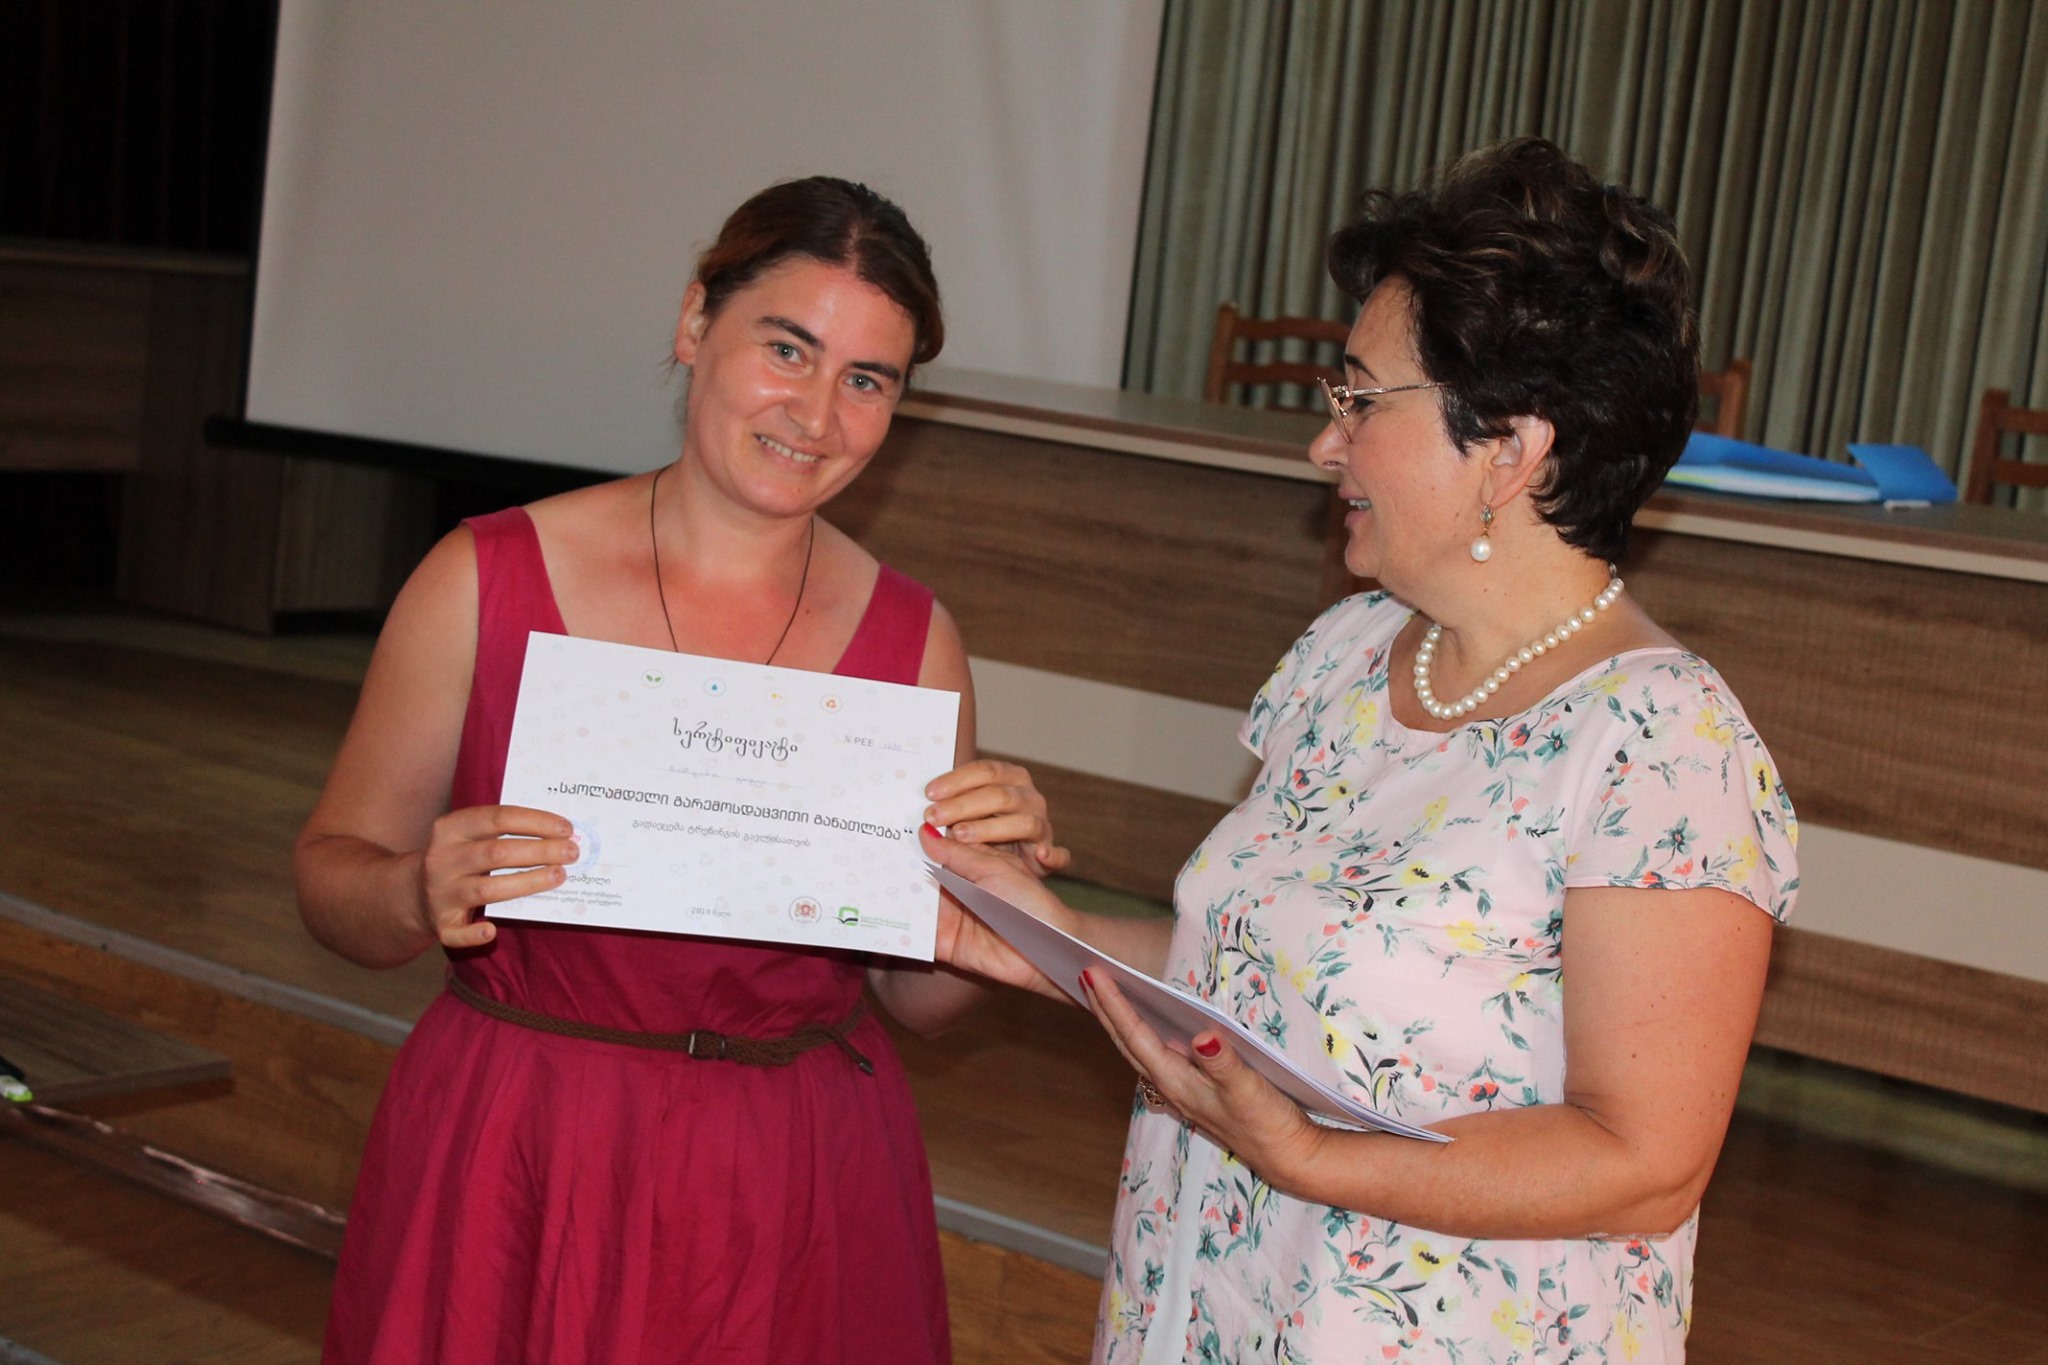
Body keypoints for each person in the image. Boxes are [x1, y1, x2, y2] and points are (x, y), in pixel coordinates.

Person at [924, 138, 1798, 1363]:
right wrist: (1034, 934)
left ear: (1508, 449)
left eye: (1359, 401)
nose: (1323, 445)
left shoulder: (1659, 743)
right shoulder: (1347, 652)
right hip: (1212, 1300)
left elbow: (1642, 1162)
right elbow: (1247, 975)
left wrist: (1310, 1158)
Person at [297, 175, 1064, 1365]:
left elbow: (912, 997)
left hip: (793, 1172)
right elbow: (331, 882)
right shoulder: (483, 577)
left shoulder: (915, 643)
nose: (815, 413)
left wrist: (988, 910)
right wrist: (411, 890)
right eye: (786, 349)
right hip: (523, 1142)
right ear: (696, 322)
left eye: (866, 380)